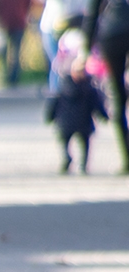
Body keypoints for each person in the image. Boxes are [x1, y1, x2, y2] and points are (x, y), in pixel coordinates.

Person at [84, 0, 129, 172]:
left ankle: (126, 157)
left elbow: (92, 13)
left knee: (117, 97)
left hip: (111, 34)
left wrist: (86, 48)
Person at [46, 56, 108, 172]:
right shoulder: (90, 88)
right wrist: (104, 116)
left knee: (65, 141)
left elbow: (53, 103)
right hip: (83, 122)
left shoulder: (63, 86)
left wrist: (49, 117)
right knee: (84, 143)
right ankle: (81, 164)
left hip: (66, 123)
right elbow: (97, 105)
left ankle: (68, 159)